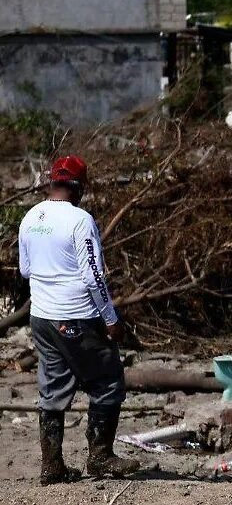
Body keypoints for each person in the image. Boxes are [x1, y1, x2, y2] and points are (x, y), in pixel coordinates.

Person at [18, 156, 140, 485]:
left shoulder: (30, 217)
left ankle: (52, 465)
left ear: (52, 182)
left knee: (53, 387)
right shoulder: (79, 220)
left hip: (41, 317)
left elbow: (25, 270)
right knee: (108, 380)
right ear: (79, 187)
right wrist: (111, 319)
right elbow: (93, 276)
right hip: (75, 315)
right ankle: (100, 457)